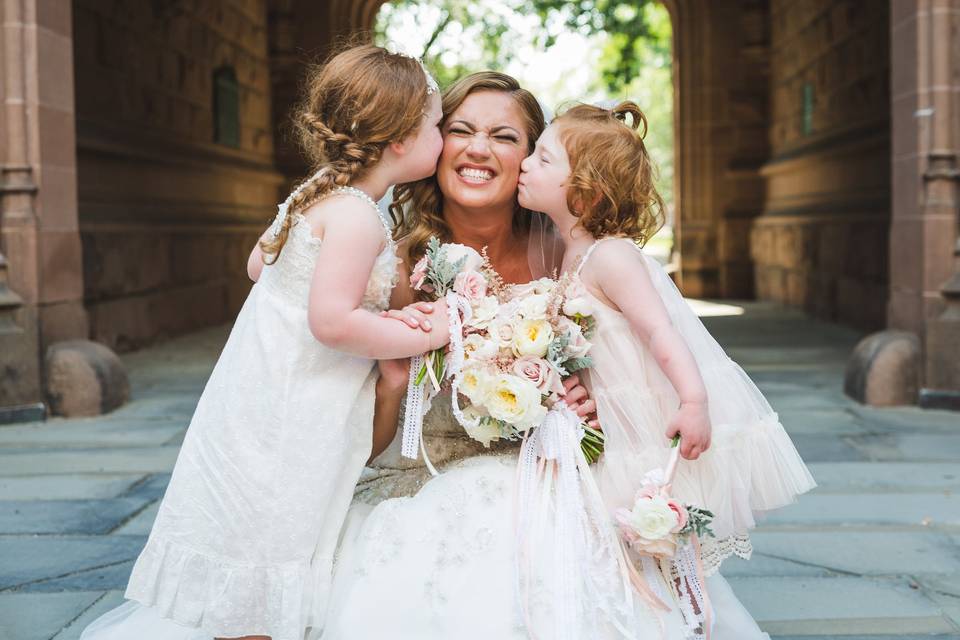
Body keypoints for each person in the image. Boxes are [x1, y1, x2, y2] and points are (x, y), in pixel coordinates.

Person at [80, 43, 448, 640]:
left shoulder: (324, 193)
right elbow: (330, 323)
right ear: (400, 139)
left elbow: (259, 265)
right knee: (275, 538)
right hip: (292, 414)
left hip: (257, 398)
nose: (443, 137)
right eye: (436, 125)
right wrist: (430, 327)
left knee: (249, 541)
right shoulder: (357, 217)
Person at [514, 100, 818, 637]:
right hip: (610, 434)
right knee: (633, 562)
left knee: (664, 560)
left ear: (582, 191)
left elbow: (661, 332)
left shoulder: (613, 257)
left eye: (541, 158)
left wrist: (694, 401)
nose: (525, 164)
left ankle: (698, 627)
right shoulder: (571, 254)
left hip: (644, 439)